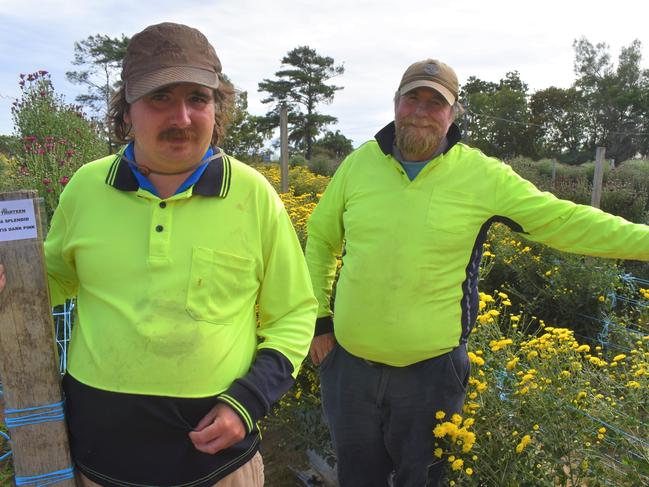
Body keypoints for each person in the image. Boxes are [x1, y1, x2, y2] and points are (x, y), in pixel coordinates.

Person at [305, 58, 649, 487]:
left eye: (436, 102)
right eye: (413, 98)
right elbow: (320, 239)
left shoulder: (481, 175)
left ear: (453, 114)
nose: (422, 111)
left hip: (430, 377)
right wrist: (319, 320)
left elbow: (562, 219)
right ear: (396, 102)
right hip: (350, 372)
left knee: (424, 480)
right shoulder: (359, 165)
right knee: (357, 477)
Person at [1, 22, 317, 487]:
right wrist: (13, 280)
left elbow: (293, 313)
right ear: (126, 111)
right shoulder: (87, 188)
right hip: (100, 462)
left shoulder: (254, 195)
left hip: (219, 468)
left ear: (217, 108)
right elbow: (59, 279)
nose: (182, 117)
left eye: (197, 99)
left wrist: (248, 401)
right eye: (160, 98)